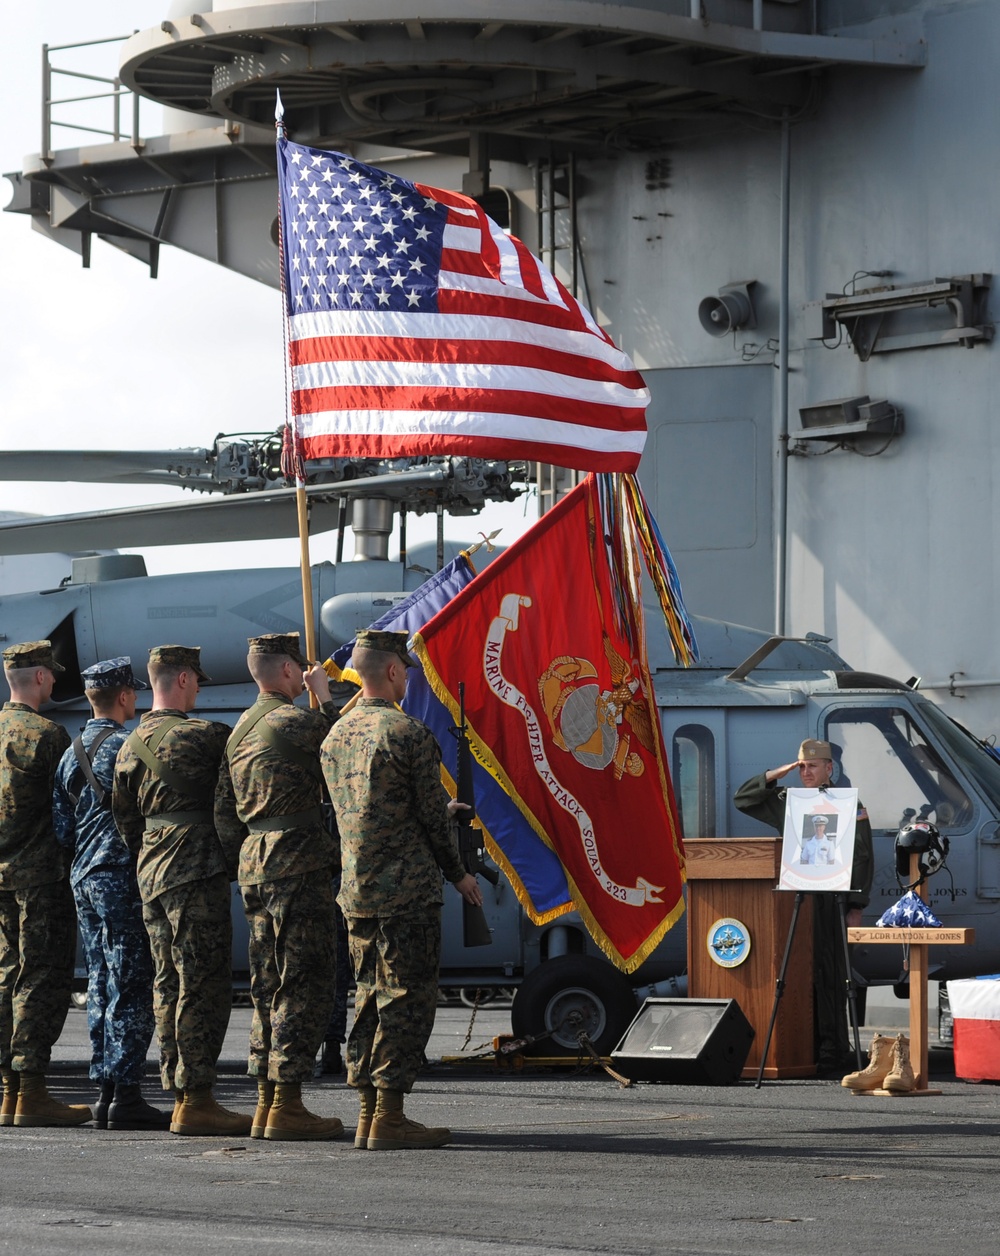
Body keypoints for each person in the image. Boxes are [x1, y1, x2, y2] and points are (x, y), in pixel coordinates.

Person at [320, 629, 482, 1151]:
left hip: (358, 890)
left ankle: (369, 1113)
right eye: (407, 670)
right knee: (406, 999)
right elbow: (432, 825)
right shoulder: (406, 733)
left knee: (368, 996)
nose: (409, 678)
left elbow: (372, 807)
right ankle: (389, 1114)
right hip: (406, 891)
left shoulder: (336, 735)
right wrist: (458, 873)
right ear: (392, 671)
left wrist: (439, 809)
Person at [113, 644, 250, 1136]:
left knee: (168, 983)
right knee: (203, 984)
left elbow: (125, 820)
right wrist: (234, 861)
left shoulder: (128, 745)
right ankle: (198, 1098)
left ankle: (178, 1091)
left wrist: (153, 854)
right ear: (186, 679)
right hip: (197, 872)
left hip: (152, 873)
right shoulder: (208, 736)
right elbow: (232, 804)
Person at [216, 632, 344, 1141]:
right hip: (298, 863)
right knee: (303, 981)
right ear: (290, 671)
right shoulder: (297, 722)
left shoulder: (239, 728)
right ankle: (288, 1101)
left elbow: (226, 813)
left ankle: (267, 1100)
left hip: (255, 862)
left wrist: (243, 861)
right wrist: (327, 698)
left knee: (268, 983)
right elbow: (345, 751)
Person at [52, 657, 167, 1131]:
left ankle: (103, 1091)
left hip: (84, 877)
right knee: (132, 982)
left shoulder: (70, 751)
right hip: (122, 876)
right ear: (123, 696)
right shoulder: (130, 745)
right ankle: (128, 1094)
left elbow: (62, 829)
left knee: (100, 980)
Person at [734, 738, 874, 1076]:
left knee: (832, 976)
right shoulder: (790, 801)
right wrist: (779, 773)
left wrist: (856, 904)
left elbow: (863, 854)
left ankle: (833, 1051)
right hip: (799, 896)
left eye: (813, 766)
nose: (806, 772)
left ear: (829, 768)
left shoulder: (847, 803)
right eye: (801, 766)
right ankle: (802, 1048)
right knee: (797, 973)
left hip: (833, 898)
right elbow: (744, 799)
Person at [0, 641, 91, 1128]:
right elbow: (66, 814)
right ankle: (30, 1090)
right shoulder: (47, 735)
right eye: (51, 674)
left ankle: (9, 1091)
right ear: (37, 677)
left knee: (6, 974)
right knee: (40, 978)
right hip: (40, 878)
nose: (55, 681)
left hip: (2, 876)